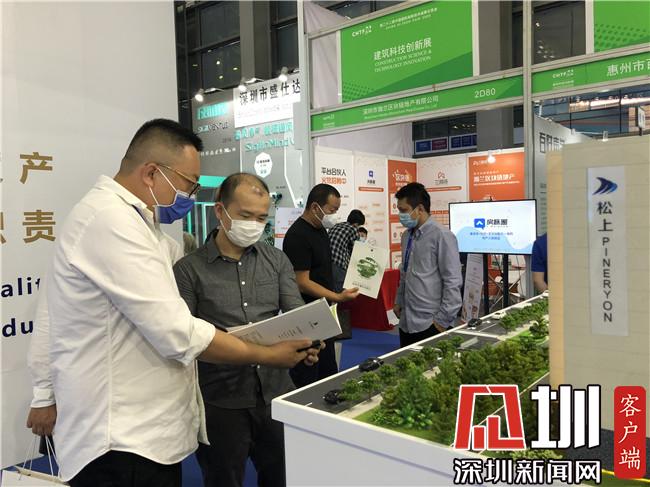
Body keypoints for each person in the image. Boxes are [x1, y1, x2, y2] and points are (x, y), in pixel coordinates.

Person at [25, 119, 319, 487]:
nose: (190, 195)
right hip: (122, 437)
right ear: (152, 173)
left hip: (148, 430)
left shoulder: (146, 230)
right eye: (188, 184)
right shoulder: (111, 221)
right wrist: (265, 353)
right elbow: (178, 332)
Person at [173, 173, 315, 487]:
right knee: (224, 478)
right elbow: (184, 337)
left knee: (282, 475)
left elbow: (296, 312)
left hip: (277, 392)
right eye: (245, 215)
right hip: (220, 398)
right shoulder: (188, 270)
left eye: (261, 218)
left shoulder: (276, 260)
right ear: (220, 211)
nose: (254, 224)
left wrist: (308, 342)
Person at [282, 184, 359, 387]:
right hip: (306, 314)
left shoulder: (321, 231)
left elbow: (323, 270)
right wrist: (337, 297)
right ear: (315, 207)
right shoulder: (298, 235)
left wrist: (336, 293)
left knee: (327, 369)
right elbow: (302, 282)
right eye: (332, 210)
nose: (334, 215)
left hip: (324, 310)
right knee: (307, 372)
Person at [392, 182, 462, 348]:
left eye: (404, 210)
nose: (400, 215)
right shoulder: (406, 236)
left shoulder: (442, 235)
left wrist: (441, 321)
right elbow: (405, 273)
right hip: (406, 321)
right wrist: (399, 301)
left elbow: (452, 281)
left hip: (430, 324)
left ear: (420, 209)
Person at [328, 209, 365, 293]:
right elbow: (356, 252)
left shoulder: (336, 225)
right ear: (356, 224)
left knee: (330, 291)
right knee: (340, 293)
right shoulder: (353, 229)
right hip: (337, 264)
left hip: (325, 263)